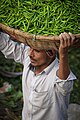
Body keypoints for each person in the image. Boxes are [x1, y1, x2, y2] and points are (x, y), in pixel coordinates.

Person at [0, 24, 78, 120]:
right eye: (30, 48)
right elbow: (7, 46)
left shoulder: (56, 74)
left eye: (36, 50)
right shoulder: (28, 58)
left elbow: (64, 83)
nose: (30, 54)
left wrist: (63, 54)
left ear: (51, 53)